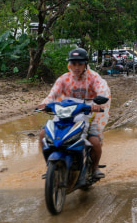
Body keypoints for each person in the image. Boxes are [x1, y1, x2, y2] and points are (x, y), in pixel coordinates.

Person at [36, 48, 111, 180]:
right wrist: (44, 104)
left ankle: (94, 168)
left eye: (80, 64)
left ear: (85, 65)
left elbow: (102, 90)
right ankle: (49, 167)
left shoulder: (93, 78)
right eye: (74, 64)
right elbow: (53, 94)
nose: (76, 67)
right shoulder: (64, 78)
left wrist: (98, 102)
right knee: (43, 134)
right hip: (66, 112)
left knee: (94, 140)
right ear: (70, 64)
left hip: (88, 113)